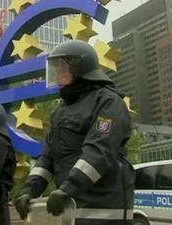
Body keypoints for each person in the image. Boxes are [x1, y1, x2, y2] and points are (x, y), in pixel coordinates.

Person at [14, 40, 135, 225]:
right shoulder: (60, 111)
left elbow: (99, 151)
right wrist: (28, 191)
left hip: (103, 212)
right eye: (55, 69)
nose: (57, 75)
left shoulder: (108, 101)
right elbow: (47, 158)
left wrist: (68, 189)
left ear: (81, 68)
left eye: (62, 69)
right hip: (70, 210)